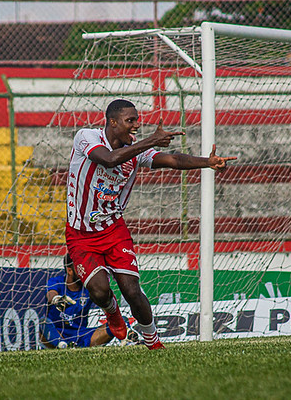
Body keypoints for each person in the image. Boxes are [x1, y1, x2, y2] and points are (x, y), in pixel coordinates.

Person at [66, 98, 236, 349]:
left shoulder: (137, 149)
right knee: (100, 291)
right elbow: (109, 159)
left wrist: (206, 163)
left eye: (137, 120)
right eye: (130, 120)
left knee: (132, 290)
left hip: (114, 230)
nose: (136, 125)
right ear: (112, 122)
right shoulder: (87, 137)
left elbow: (173, 160)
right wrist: (151, 141)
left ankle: (152, 339)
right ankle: (113, 314)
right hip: (80, 233)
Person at [40, 254, 130, 348]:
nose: (83, 271)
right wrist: (56, 299)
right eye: (79, 268)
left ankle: (129, 340)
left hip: (81, 335)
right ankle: (62, 346)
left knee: (121, 320)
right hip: (57, 333)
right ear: (69, 270)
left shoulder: (88, 287)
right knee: (43, 322)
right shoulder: (56, 282)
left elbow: (105, 306)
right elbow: (50, 295)